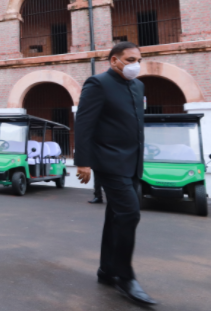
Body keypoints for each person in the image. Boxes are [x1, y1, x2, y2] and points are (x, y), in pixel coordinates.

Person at [74, 41, 156, 306]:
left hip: (132, 162)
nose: (136, 64)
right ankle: (125, 276)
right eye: (130, 59)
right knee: (130, 213)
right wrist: (83, 162)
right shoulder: (97, 84)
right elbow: (84, 124)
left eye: (139, 59)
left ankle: (107, 270)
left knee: (116, 216)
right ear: (114, 61)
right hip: (108, 160)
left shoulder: (138, 86)